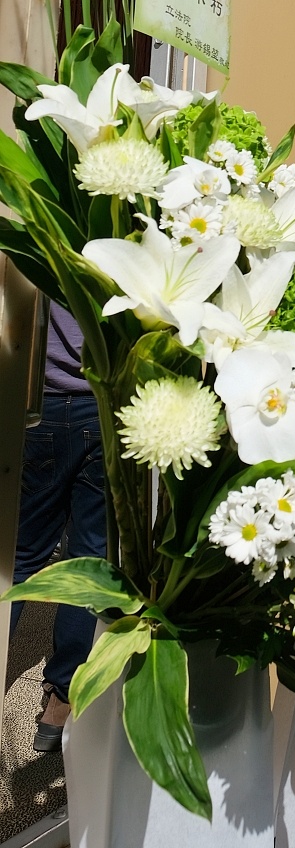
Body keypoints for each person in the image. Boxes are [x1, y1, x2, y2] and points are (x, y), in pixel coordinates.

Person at [9, 303, 106, 752]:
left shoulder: (39, 233)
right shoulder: (119, 234)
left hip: (38, 402)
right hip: (104, 404)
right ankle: (60, 703)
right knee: (87, 563)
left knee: (20, 554)